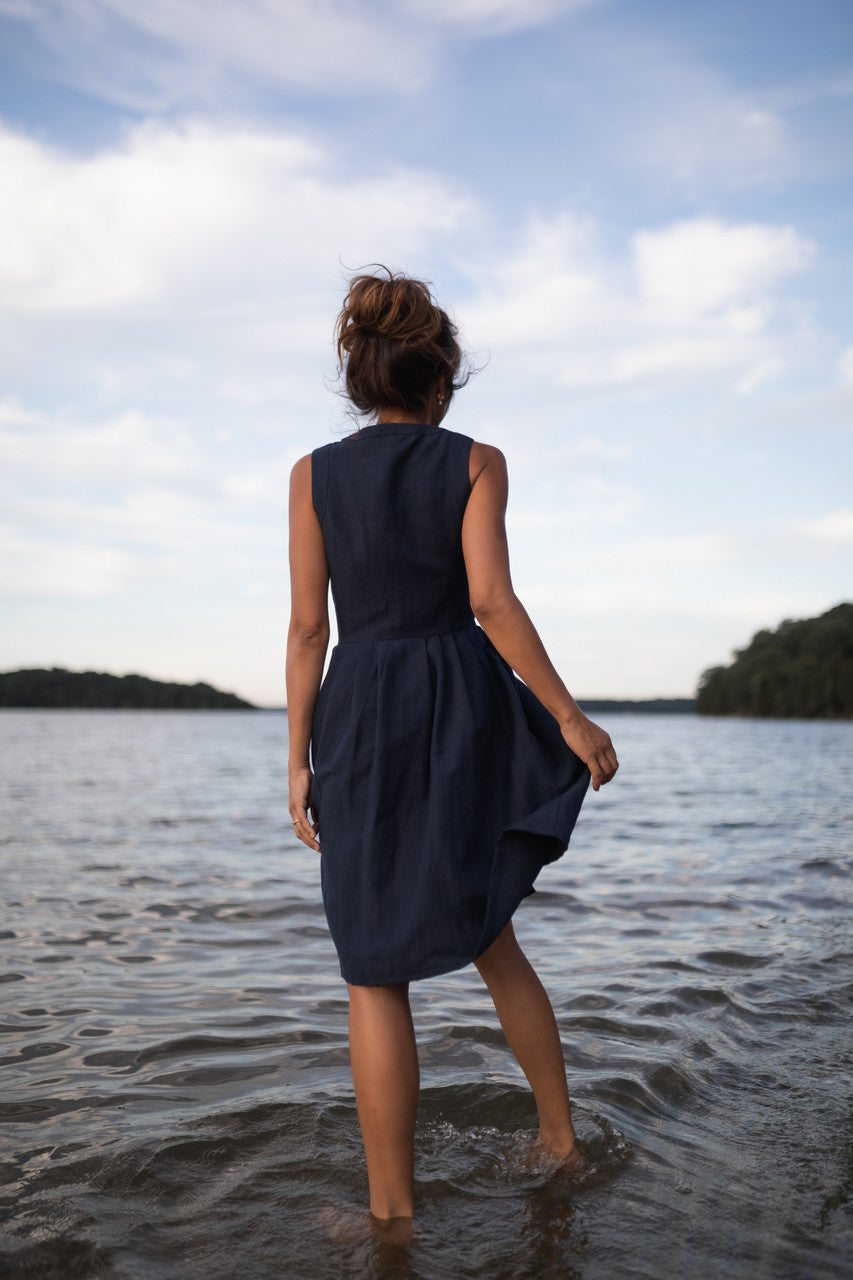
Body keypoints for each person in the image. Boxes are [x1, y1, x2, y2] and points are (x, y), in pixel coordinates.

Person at [286, 267, 618, 1226]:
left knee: (370, 969)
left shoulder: (310, 475)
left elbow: (310, 631)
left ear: (358, 381)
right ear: (441, 381)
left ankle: (392, 1213)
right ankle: (560, 1145)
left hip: (361, 710)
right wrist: (565, 714)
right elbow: (490, 602)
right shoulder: (476, 460)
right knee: (490, 935)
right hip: (459, 707)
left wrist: (298, 761)